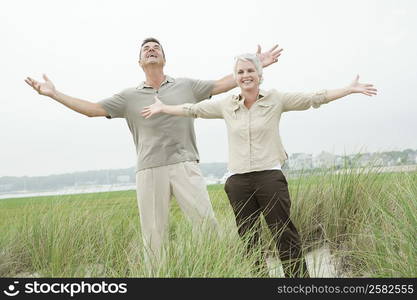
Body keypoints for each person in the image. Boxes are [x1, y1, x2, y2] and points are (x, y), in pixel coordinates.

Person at [24, 39, 283, 264]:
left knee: (207, 228)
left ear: (164, 58)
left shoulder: (185, 86)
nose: (151, 50)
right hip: (149, 169)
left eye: (156, 47)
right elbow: (92, 109)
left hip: (185, 164)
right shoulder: (128, 96)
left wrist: (256, 65)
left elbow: (222, 84)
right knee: (154, 237)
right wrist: (54, 94)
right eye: (146, 48)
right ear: (139, 62)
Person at [140, 53, 377, 277]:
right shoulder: (226, 105)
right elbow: (193, 109)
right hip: (238, 181)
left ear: (259, 74)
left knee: (284, 234)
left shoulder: (276, 99)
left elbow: (314, 98)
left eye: (250, 70)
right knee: (249, 239)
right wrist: (163, 108)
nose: (246, 75)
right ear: (236, 77)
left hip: (269, 178)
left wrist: (348, 89)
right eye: (241, 71)